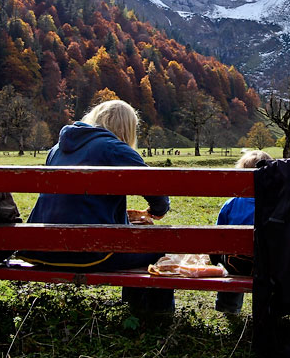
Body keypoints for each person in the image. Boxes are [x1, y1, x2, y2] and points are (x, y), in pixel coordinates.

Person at [18, 99, 173, 312]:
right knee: (160, 247)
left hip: (42, 250)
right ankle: (152, 317)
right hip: (90, 254)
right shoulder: (114, 148)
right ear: (126, 127)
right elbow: (156, 190)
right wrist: (158, 210)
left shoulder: (57, 149)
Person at [213, 149, 272, 314]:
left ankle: (228, 307)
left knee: (229, 260)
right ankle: (268, 310)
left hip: (236, 264)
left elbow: (218, 235)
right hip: (269, 264)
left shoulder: (232, 203)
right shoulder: (276, 204)